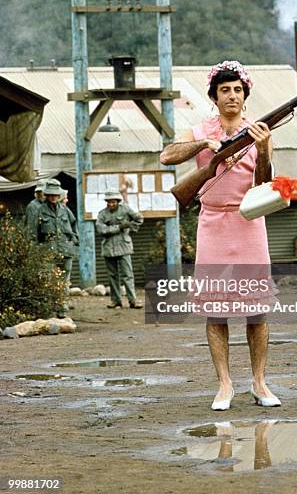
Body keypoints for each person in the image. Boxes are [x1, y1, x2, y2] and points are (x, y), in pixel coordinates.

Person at [160, 60, 281, 410]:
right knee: (216, 311)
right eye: (225, 90)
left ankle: (259, 382)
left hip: (249, 221)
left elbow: (264, 182)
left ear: (246, 95)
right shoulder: (201, 129)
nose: (232, 96)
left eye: (238, 90)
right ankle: (225, 385)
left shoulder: (257, 130)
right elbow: (167, 154)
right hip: (212, 222)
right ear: (214, 96)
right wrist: (205, 146)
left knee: (257, 311)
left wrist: (263, 148)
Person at [27, 178, 78, 302]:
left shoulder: (65, 210)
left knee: (64, 281)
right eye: (51, 195)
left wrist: (74, 243)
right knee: (49, 280)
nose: (54, 197)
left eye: (56, 195)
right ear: (47, 195)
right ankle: (50, 308)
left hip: (66, 252)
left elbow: (74, 227)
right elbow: (32, 233)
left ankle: (62, 309)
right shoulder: (39, 211)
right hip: (47, 252)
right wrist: (35, 250)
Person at [96, 189, 144, 309]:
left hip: (123, 246)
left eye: (113, 201)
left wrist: (131, 226)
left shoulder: (126, 209)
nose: (111, 204)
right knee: (112, 276)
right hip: (109, 247)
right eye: (109, 202)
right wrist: (119, 227)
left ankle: (133, 300)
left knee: (128, 275)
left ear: (118, 201)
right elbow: (101, 230)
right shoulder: (102, 214)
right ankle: (116, 300)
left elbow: (139, 219)